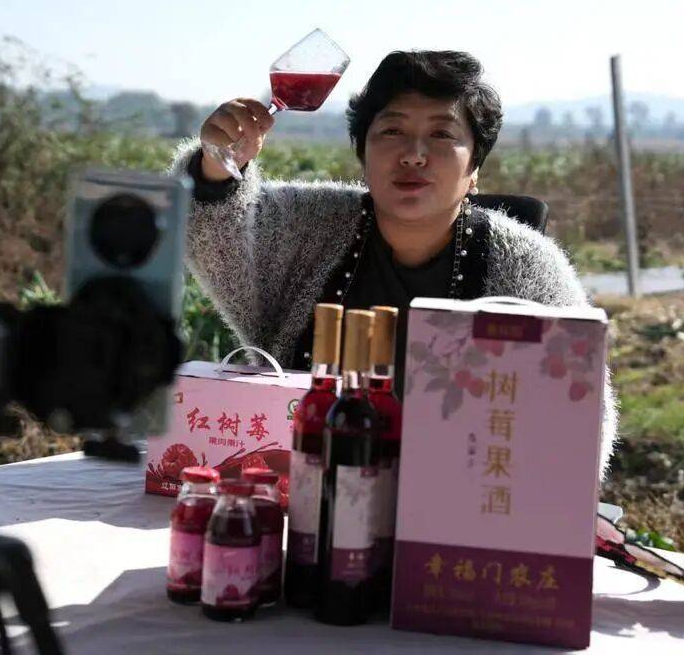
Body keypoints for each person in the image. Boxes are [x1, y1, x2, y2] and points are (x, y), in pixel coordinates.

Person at [168, 50, 617, 477]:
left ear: (475, 167)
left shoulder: (525, 265)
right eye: (392, 131)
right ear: (362, 154)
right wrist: (216, 166)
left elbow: (582, 416)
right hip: (297, 492)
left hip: (459, 505)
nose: (414, 154)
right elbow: (214, 232)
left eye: (442, 135)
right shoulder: (310, 224)